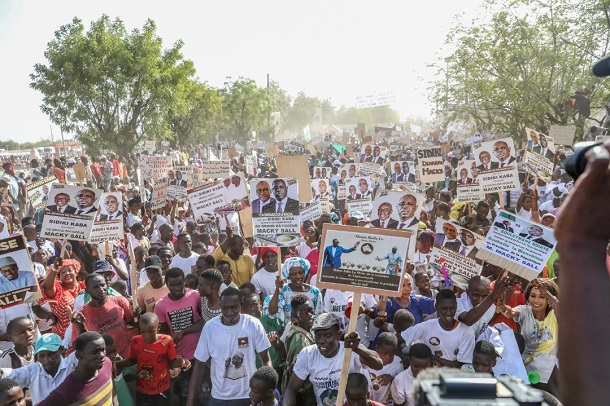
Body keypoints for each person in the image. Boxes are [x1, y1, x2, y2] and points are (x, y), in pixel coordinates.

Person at [186, 287, 272, 406]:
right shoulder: (210, 328)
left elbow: (266, 360)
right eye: (225, 308)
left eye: (234, 307)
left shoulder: (253, 324)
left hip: (249, 396)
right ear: (220, 305)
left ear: (241, 305)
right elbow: (199, 366)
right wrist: (190, 403)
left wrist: (264, 392)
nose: (230, 312)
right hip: (219, 397)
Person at [282, 313, 383, 406]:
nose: (321, 341)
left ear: (338, 335)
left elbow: (378, 364)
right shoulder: (308, 354)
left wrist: (357, 349)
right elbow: (291, 390)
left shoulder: (350, 350)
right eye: (318, 336)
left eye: (327, 335)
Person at [115, 313, 190, 405]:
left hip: (162, 388)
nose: (147, 336)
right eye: (143, 332)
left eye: (151, 331)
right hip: (143, 389)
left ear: (158, 328)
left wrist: (181, 362)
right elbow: (132, 360)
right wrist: (115, 363)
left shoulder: (167, 341)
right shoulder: (135, 341)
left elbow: (172, 363)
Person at [498, 279, 559, 391]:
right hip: (524, 373)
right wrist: (502, 306)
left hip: (547, 377)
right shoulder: (525, 311)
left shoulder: (555, 314)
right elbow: (510, 312)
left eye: (542, 297)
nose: (536, 300)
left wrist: (546, 292)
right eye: (533, 296)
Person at [154, 267, 202, 404]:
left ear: (184, 281)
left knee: (204, 392)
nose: (176, 288)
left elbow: (204, 322)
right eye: (172, 285)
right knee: (185, 395)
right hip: (181, 358)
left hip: (201, 354)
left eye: (180, 284)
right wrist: (171, 358)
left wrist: (184, 332)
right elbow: (163, 334)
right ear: (166, 284)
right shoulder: (160, 305)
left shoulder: (195, 295)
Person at [37, 332, 118, 406]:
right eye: (94, 352)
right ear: (78, 355)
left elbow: (112, 392)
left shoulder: (107, 363)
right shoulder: (67, 389)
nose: (102, 355)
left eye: (103, 350)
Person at [404, 289, 475, 369]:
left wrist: (432, 357)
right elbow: (403, 338)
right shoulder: (426, 326)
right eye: (444, 308)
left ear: (456, 306)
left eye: (452, 308)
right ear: (436, 306)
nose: (448, 313)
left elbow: (461, 365)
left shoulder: (466, 331)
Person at [0, 333, 79, 404]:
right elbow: (11, 374)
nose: (47, 359)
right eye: (42, 355)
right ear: (36, 356)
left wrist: (80, 326)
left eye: (51, 353)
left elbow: (86, 347)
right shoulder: (32, 372)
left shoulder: (72, 363)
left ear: (61, 349)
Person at [72, 273, 134, 358]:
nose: (101, 289)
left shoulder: (120, 301)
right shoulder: (81, 314)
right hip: (102, 362)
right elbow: (79, 344)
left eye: (102, 285)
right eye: (95, 287)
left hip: (126, 358)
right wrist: (80, 325)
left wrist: (138, 314)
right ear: (87, 291)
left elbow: (133, 322)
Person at [266, 258, 323, 326]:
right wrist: (277, 290)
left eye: (300, 273)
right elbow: (272, 312)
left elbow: (318, 317)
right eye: (294, 274)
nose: (298, 276)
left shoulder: (315, 292)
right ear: (288, 276)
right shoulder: (283, 290)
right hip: (290, 332)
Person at [38, 258, 85, 338]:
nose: (67, 273)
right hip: (65, 336)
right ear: (59, 277)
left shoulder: (85, 286)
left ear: (76, 272)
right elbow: (47, 288)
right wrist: (55, 269)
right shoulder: (58, 290)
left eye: (70, 270)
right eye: (63, 272)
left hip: (88, 329)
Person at [455, 275, 509, 340]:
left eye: (484, 296)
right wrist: (493, 295)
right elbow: (468, 320)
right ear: (467, 291)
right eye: (476, 295)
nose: (480, 300)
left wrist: (498, 306)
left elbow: (486, 322)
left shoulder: (490, 306)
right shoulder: (457, 303)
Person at [364, 333, 403, 405]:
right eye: (384, 353)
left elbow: (401, 383)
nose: (388, 358)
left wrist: (392, 379)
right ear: (377, 348)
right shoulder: (368, 362)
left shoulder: (398, 364)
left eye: (391, 355)